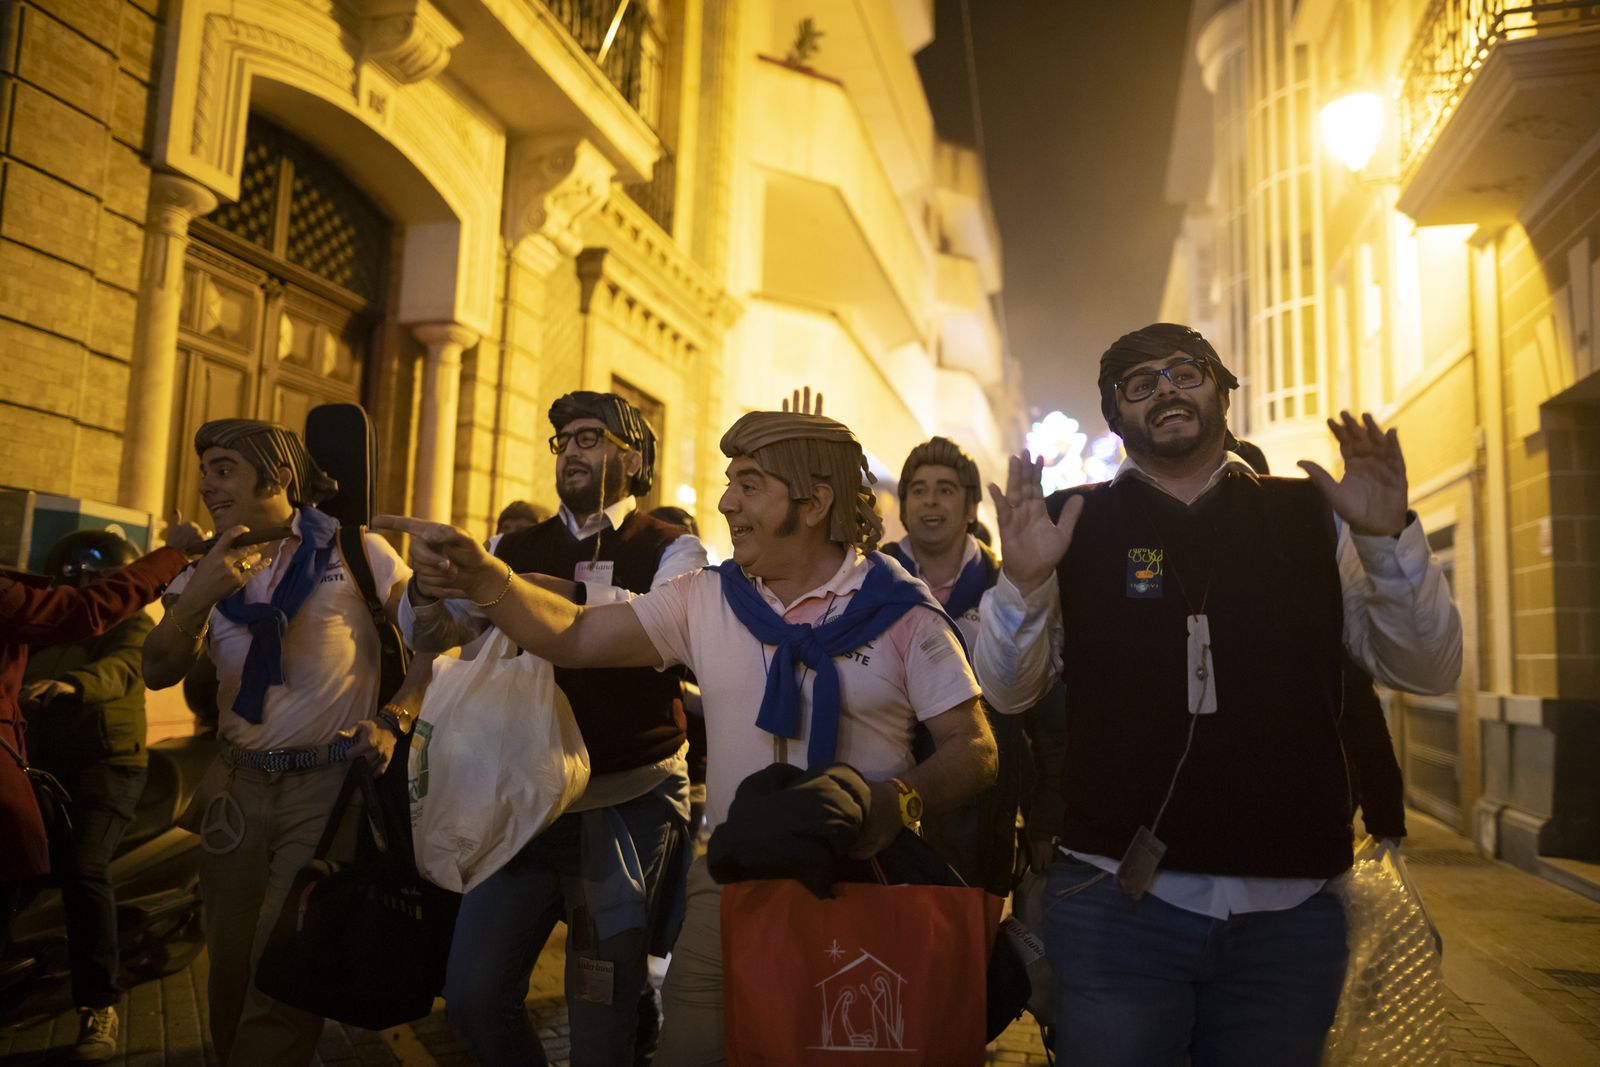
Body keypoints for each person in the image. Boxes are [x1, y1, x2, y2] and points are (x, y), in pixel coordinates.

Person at [378, 409, 997, 1065]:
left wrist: (895, 801)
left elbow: (976, 748)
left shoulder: (902, 613)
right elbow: (577, 634)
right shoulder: (708, 598)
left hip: (860, 887)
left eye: (749, 484)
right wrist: (485, 579)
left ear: (815, 503)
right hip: (728, 881)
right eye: (730, 483)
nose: (727, 502)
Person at [975, 322, 1462, 1065]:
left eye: (1187, 371)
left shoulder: (1312, 514)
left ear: (1223, 390)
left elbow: (1427, 667)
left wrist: (1386, 539)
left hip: (1290, 915)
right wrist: (1025, 581)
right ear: (1115, 415)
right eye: (1141, 384)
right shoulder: (1072, 522)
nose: (1167, 390)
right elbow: (1010, 693)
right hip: (1115, 905)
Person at [401, 391, 707, 1066]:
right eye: (563, 440)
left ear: (634, 457)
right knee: (473, 996)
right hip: (522, 799)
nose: (570, 450)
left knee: (601, 1015)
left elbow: (667, 622)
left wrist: (538, 589)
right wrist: (424, 589)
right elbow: (445, 631)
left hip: (625, 799)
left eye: (589, 438)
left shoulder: (672, 545)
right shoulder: (510, 545)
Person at [142, 419, 414, 1067]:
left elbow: (435, 641)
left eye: (224, 469)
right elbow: (156, 668)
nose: (207, 484)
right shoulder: (208, 565)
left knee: (282, 968)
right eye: (205, 470)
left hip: (324, 790)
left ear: (280, 477)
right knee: (230, 965)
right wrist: (198, 594)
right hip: (234, 791)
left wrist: (395, 717)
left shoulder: (359, 551)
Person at [1, 535, 194, 1055]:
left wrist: (77, 685)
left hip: (107, 765)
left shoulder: (130, 625)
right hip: (42, 768)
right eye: (74, 577)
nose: (82, 583)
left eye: (92, 577)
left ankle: (98, 1006)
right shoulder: (43, 630)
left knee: (83, 868)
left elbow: (125, 668)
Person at [881, 436, 1034, 894]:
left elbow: (1044, 711)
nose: (930, 500)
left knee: (966, 930)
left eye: (945, 489)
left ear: (970, 508)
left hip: (981, 810)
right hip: (883, 800)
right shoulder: (871, 580)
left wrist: (1045, 819)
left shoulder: (1005, 585)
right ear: (904, 505)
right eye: (919, 489)